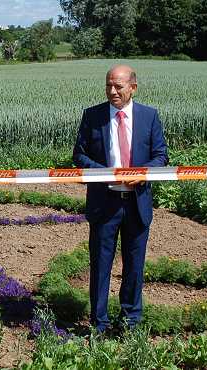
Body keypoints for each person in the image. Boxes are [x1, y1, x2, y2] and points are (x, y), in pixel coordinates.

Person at [73, 65, 168, 334]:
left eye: (118, 86)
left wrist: (144, 173)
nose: (112, 91)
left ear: (133, 88)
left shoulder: (149, 117)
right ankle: (99, 324)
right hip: (105, 203)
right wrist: (103, 173)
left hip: (137, 203)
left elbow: (161, 155)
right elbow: (79, 156)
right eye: (108, 86)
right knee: (101, 266)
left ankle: (130, 323)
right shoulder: (93, 116)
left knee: (134, 267)